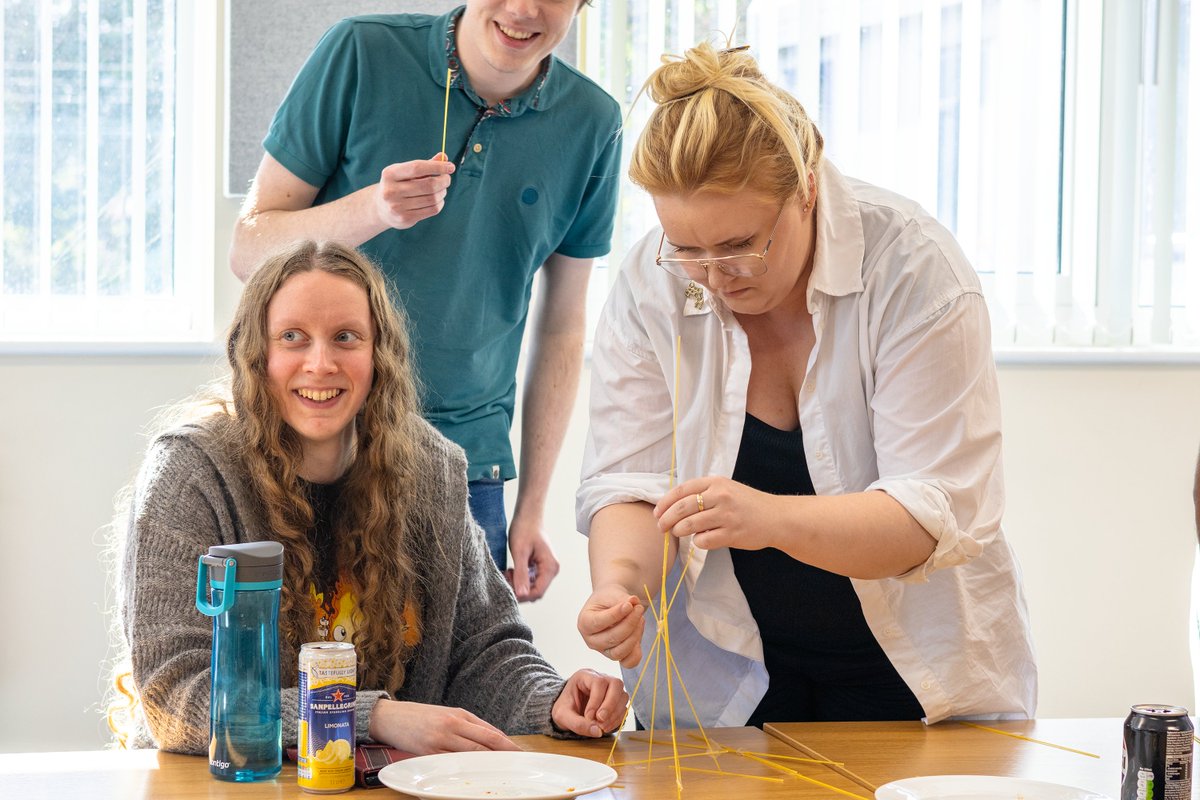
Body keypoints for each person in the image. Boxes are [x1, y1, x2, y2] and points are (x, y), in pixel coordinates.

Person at [575, 42, 1037, 728]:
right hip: (728, 673)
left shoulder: (912, 268)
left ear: (808, 187)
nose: (713, 274)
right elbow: (628, 484)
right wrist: (618, 588)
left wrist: (765, 518)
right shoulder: (652, 279)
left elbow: (929, 512)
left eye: (739, 244)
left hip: (913, 672)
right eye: (688, 248)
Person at [114, 240, 626, 755]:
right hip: (232, 783)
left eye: (346, 338)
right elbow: (173, 697)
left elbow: (484, 650)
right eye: (292, 337)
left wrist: (553, 699)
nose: (320, 363)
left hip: (381, 783)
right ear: (255, 354)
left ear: (379, 353)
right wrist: (368, 716)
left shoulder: (430, 468)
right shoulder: (190, 475)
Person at [229, 1, 622, 601]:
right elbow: (248, 251)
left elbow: (563, 328)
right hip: (316, 447)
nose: (522, 9)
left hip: (468, 474)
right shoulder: (361, 52)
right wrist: (373, 210)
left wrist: (531, 507)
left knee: (463, 685)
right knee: (300, 687)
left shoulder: (593, 123)